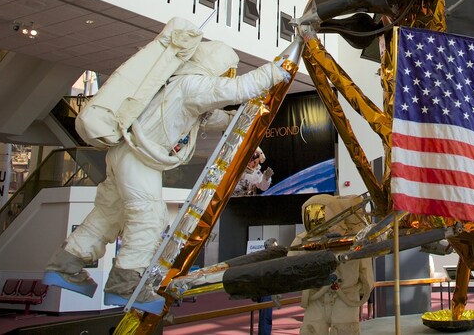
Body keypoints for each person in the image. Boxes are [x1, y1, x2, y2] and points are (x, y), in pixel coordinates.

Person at [43, 40, 290, 314]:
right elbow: (238, 89)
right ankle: (124, 283)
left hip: (125, 154)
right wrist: (276, 71)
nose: (226, 76)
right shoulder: (191, 86)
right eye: (227, 71)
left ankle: (65, 264)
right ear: (216, 66)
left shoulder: (178, 89)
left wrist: (237, 120)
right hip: (139, 159)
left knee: (108, 215)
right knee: (149, 216)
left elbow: (209, 117)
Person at [294, 194, 374, 335]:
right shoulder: (303, 240)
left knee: (344, 330)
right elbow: (292, 261)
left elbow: (364, 265)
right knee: (312, 329)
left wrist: (364, 288)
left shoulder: (353, 238)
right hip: (316, 295)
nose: (314, 219)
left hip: (345, 295)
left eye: (319, 214)